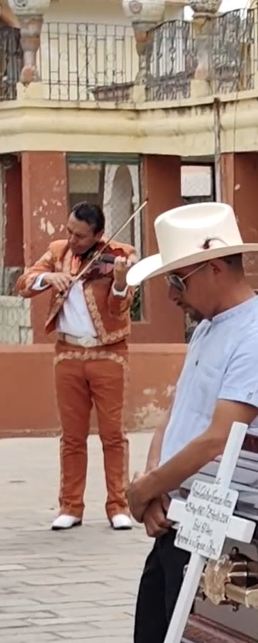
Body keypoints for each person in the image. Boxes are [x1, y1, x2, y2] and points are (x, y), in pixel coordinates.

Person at [120, 202, 258, 643]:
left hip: (224, 531)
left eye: (177, 280)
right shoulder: (210, 328)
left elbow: (219, 436)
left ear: (215, 268)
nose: (172, 295)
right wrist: (154, 485)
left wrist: (146, 489)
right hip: (183, 517)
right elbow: (180, 416)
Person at [15, 203, 139, 531]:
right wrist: (48, 277)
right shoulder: (58, 251)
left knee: (113, 435)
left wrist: (120, 282)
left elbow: (119, 309)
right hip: (68, 353)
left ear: (98, 235)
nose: (73, 240)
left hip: (108, 353)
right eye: (70, 231)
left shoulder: (121, 254)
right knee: (71, 436)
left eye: (81, 236)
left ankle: (118, 505)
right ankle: (70, 506)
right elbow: (23, 284)